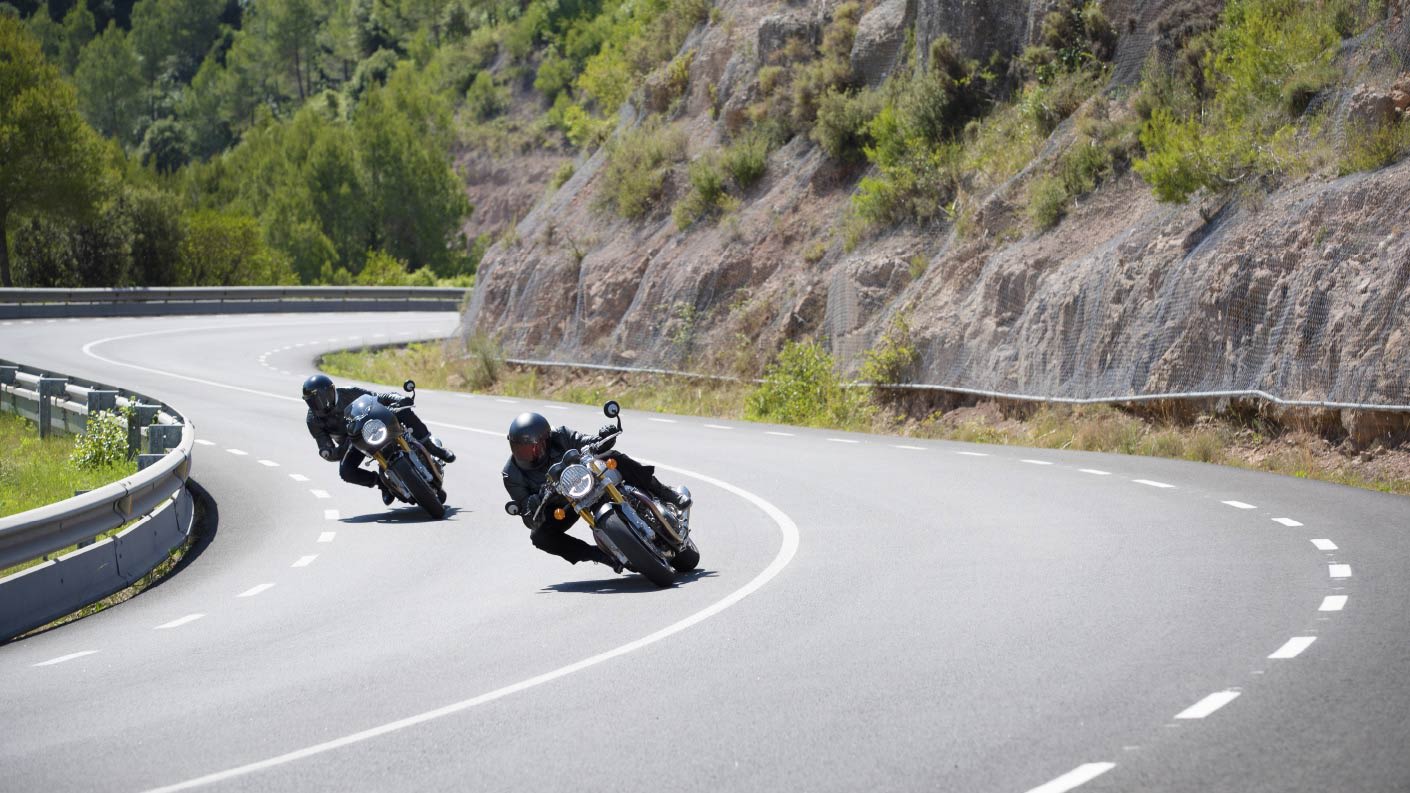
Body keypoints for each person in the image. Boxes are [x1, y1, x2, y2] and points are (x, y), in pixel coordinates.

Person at [501, 411, 690, 570]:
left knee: (611, 457)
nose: (529, 454)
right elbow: (528, 516)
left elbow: (586, 442)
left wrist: (602, 438)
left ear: (546, 440)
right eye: (522, 449)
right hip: (562, 507)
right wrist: (533, 506)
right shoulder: (512, 474)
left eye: (534, 448)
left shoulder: (561, 436)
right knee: (539, 537)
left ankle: (667, 493)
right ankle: (601, 556)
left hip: (587, 481)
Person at [301, 374, 455, 504]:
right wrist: (329, 452)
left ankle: (431, 446)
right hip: (355, 443)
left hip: (375, 426)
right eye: (311, 401)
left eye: (318, 399)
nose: (316, 404)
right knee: (346, 472)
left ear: (329, 392)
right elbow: (324, 444)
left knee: (402, 411)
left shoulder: (349, 392)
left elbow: (377, 397)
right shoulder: (313, 420)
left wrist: (398, 398)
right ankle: (382, 484)